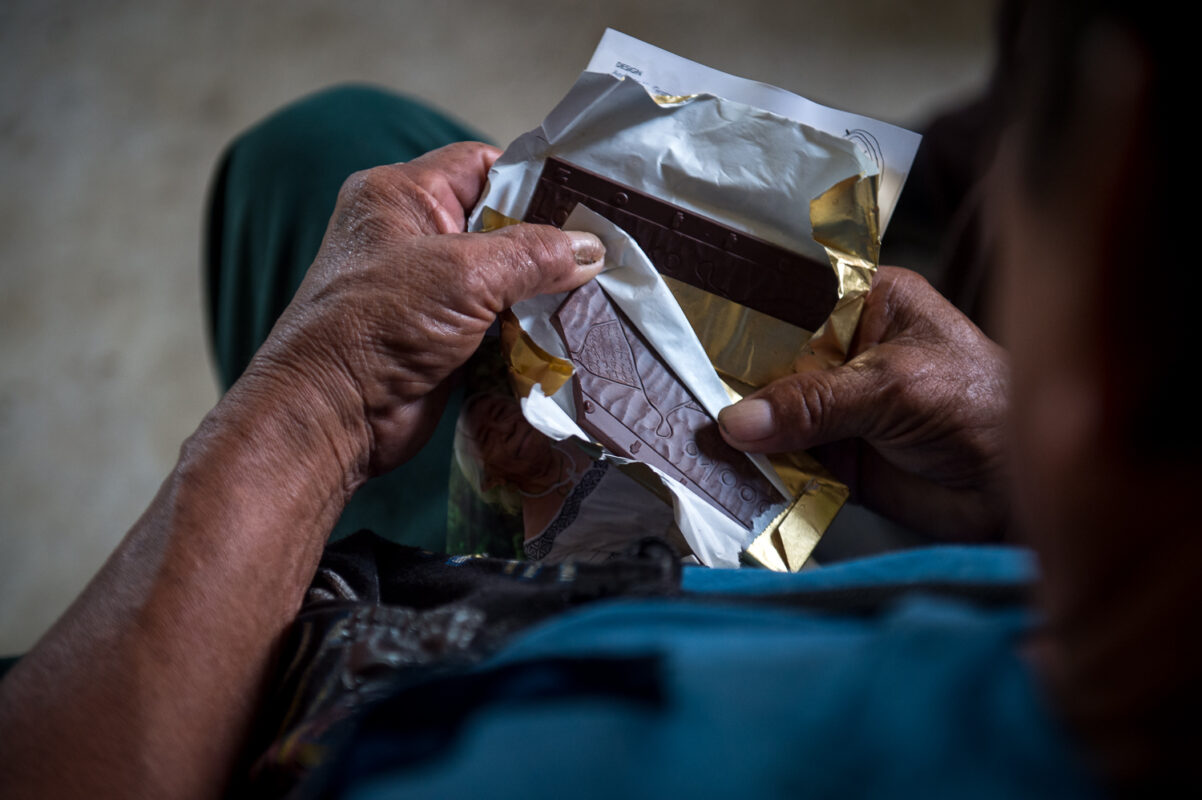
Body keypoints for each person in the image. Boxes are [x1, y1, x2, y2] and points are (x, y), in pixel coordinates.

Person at [1, 1, 1197, 797]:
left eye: (1032, 177)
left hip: (376, 664)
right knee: (338, 142)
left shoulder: (557, 761)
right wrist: (1029, 480)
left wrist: (315, 407)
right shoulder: (1084, 628)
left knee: (310, 167)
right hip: (964, 532)